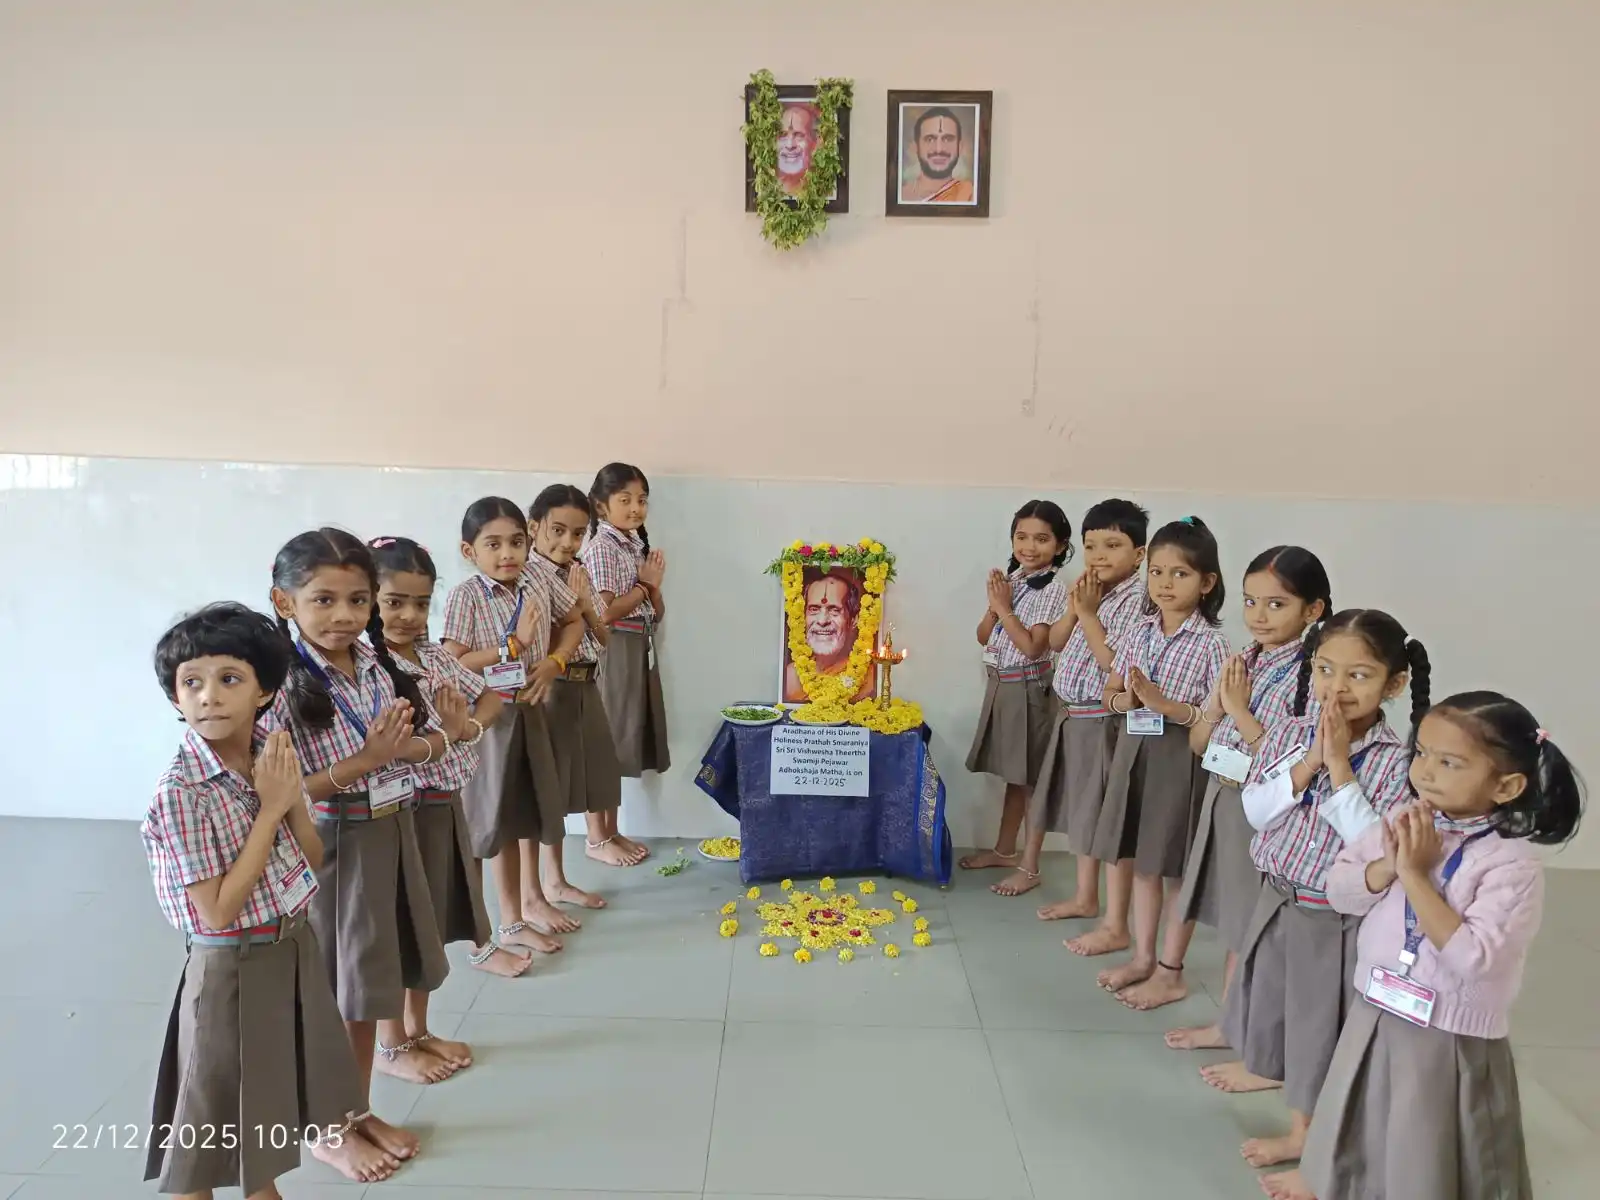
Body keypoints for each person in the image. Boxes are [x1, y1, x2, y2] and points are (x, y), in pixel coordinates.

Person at [1263, 691, 1582, 1200]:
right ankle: (1337, 1181)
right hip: (1378, 1004)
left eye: (1450, 762)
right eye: (1423, 754)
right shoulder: (1406, 819)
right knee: (1360, 1107)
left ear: (1507, 786)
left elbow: (1474, 959)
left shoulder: (1510, 865)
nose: (1427, 772)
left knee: (1423, 1136)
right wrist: (1390, 865)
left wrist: (1413, 875)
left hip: (1445, 1028)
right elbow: (1342, 890)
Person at [141, 602, 391, 1194]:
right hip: (231, 962)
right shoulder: (182, 794)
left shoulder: (271, 757)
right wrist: (272, 809)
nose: (209, 697)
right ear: (175, 698)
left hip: (290, 948)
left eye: (229, 679)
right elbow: (218, 910)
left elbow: (313, 856)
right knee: (205, 1132)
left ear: (265, 691)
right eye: (191, 683)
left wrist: (288, 799)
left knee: (266, 1112)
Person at [1209, 609, 1428, 1170]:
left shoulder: (1397, 762)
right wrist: (1309, 761)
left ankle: (1314, 1142)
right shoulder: (1288, 733)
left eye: (1359, 675)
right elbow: (1257, 811)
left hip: (1337, 920)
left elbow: (1376, 848)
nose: (1337, 687)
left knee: (1319, 1031)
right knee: (1278, 1015)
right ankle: (1302, 1120)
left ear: (1394, 685)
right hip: (1279, 899)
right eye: (1327, 669)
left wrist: (1338, 767)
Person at [262, 529, 453, 1165]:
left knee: (373, 989)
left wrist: (440, 737)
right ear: (284, 602)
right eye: (323, 600)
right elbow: (279, 793)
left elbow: (403, 752)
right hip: (333, 841)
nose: (344, 616)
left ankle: (358, 1109)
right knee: (343, 993)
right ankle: (327, 1129)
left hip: (390, 829)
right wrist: (366, 759)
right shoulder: (279, 687)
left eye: (359, 600)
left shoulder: (373, 665)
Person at [1125, 547, 1331, 1015]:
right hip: (1221, 791)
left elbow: (1290, 768)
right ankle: (1168, 974)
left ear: (1312, 610)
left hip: (1263, 810)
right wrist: (1218, 706)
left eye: (1276, 604)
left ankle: (1232, 1022)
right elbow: (1200, 742)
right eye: (1250, 601)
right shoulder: (1245, 660)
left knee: (1245, 919)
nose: (1259, 616)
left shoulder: (1313, 675)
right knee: (1205, 893)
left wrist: (1238, 709)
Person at [371, 535, 529, 1076]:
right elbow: (389, 750)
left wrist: (471, 728)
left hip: (443, 806)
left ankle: (419, 1029)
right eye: (394, 602)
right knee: (398, 927)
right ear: (366, 597)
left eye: (421, 602)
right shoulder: (368, 664)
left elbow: (490, 695)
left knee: (430, 924)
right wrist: (445, 739)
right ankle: (391, 1045)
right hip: (399, 815)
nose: (410, 615)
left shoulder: (433, 654)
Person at [1085, 517, 1229, 1000]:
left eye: (1181, 574)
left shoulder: (1214, 645)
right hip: (1134, 752)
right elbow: (1111, 691)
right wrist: (1126, 700)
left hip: (1178, 760)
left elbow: (1214, 721)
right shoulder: (1139, 630)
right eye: (1158, 573)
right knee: (1141, 863)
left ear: (1207, 583)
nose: (1165, 584)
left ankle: (1171, 967)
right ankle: (1142, 956)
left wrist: (1168, 707)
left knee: (1173, 868)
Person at [442, 496, 590, 959]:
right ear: (470, 551)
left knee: (532, 811)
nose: (507, 554)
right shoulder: (466, 595)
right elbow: (453, 659)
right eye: (493, 544)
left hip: (532, 710)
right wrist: (513, 646)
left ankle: (532, 900)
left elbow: (574, 621)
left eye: (516, 542)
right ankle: (509, 922)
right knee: (501, 822)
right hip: (490, 721)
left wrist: (553, 661)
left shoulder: (538, 579)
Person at [1028, 499, 1150, 923]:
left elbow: (1114, 662)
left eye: (1112, 545)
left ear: (1139, 554)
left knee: (1108, 820)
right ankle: (1084, 897)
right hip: (1075, 716)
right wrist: (1075, 610)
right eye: (1091, 545)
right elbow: (1058, 642)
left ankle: (1113, 917)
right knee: (1083, 813)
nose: (1098, 556)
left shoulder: (1140, 600)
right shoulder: (1089, 591)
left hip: (1107, 720)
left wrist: (1089, 614)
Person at [527, 484, 646, 867]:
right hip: (552, 686)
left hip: (584, 680)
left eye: (578, 533)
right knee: (551, 787)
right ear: (533, 528)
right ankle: (557, 875)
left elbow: (602, 632)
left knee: (595, 770)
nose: (568, 542)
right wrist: (578, 616)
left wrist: (583, 606)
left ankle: (591, 847)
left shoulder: (577, 571)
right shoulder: (530, 575)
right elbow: (540, 640)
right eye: (558, 530)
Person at [959, 500, 1073, 895]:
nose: (1029, 546)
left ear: (1060, 546)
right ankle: (1005, 850)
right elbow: (982, 636)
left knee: (1032, 783)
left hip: (1029, 690)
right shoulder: (1015, 579)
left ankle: (1030, 866)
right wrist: (996, 607)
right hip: (1003, 686)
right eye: (1021, 536)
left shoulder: (1054, 589)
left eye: (1041, 539)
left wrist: (1004, 608)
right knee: (1015, 776)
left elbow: (1033, 647)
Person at [581, 462, 671, 776]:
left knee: (627, 739)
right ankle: (597, 828)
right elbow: (604, 614)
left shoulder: (634, 546)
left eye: (642, 500)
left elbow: (656, 613)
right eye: (625, 500)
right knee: (609, 738)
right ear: (600, 505)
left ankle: (610, 827)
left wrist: (653, 588)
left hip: (638, 645)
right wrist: (644, 586)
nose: (636, 508)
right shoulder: (602, 548)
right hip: (615, 645)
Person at [782, 567, 874, 703]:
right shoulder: (788, 677)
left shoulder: (869, 679)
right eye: (814, 609)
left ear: (854, 620)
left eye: (834, 610)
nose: (822, 621)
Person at [901, 106, 976, 204]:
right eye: (930, 139)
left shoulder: (970, 195)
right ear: (916, 147)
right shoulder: (900, 195)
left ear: (960, 147)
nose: (939, 149)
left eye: (948, 139)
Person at [777, 101, 820, 196]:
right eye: (783, 135)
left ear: (814, 143)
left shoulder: (819, 188)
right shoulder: (767, 188)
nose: (790, 145)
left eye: (799, 135)